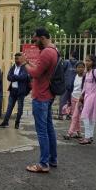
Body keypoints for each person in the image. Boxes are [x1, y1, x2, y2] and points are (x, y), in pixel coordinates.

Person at [22, 28, 58, 173]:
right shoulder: (54, 50)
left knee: (42, 131)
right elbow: (42, 70)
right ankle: (53, 159)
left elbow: (36, 74)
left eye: (35, 40)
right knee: (49, 129)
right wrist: (30, 63)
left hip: (41, 97)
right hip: (48, 95)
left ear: (42, 37)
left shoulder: (46, 52)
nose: (34, 44)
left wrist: (24, 64)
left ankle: (43, 164)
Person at [78, 55, 96, 145]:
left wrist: (95, 92)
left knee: (85, 115)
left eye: (89, 61)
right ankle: (90, 137)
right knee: (90, 117)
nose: (86, 62)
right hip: (87, 96)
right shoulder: (87, 72)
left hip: (93, 96)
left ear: (93, 62)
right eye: (86, 60)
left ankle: (87, 137)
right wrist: (82, 96)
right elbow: (85, 86)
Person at [0, 53, 29, 129]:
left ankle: (17, 123)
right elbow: (8, 77)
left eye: (17, 59)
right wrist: (16, 77)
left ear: (21, 59)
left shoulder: (24, 67)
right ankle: (5, 122)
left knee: (20, 108)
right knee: (9, 107)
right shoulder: (13, 67)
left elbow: (23, 77)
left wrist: (14, 77)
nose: (16, 60)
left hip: (21, 91)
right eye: (15, 59)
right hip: (13, 90)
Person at [64, 62, 86, 139]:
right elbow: (70, 89)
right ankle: (79, 132)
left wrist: (82, 99)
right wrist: (68, 101)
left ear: (84, 68)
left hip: (80, 99)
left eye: (82, 67)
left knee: (74, 116)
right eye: (79, 67)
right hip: (73, 97)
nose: (80, 69)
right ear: (76, 69)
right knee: (76, 117)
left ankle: (69, 133)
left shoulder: (86, 77)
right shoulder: (74, 76)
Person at [58, 51, 78, 120]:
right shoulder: (78, 63)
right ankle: (68, 115)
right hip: (74, 85)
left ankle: (61, 114)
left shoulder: (66, 62)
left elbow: (61, 71)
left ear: (71, 55)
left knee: (63, 100)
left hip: (65, 84)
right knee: (70, 101)